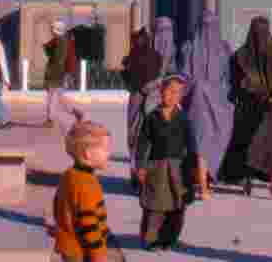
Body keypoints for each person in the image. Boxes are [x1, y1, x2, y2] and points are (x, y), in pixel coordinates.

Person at [222, 16, 272, 196]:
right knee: (268, 146)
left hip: (253, 106)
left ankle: (250, 179)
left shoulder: (241, 55)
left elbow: (234, 84)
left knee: (252, 143)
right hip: (270, 108)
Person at [136, 75, 200, 252]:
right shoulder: (152, 117)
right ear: (161, 91)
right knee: (155, 205)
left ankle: (170, 239)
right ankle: (151, 240)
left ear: (181, 96)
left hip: (178, 169)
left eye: (177, 92)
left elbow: (192, 145)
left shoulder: (184, 119)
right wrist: (141, 166)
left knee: (176, 206)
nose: (172, 95)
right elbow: (142, 143)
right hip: (156, 168)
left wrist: (194, 169)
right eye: (169, 91)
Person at [178, 10, 234, 192]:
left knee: (201, 141)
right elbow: (228, 80)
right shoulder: (222, 48)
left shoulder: (190, 47)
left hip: (203, 100)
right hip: (209, 102)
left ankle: (203, 177)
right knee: (206, 140)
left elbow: (185, 76)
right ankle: (204, 181)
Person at [49, 121, 113, 262]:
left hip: (68, 244)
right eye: (105, 149)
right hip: (82, 249)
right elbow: (88, 223)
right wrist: (99, 254)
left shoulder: (69, 174)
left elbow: (56, 204)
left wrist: (60, 227)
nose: (109, 153)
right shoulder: (86, 183)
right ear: (88, 154)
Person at [121, 23, 163, 188]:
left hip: (137, 98)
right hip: (152, 98)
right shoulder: (157, 56)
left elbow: (128, 78)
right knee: (150, 137)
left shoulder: (132, 57)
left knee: (134, 136)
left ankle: (136, 173)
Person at [43, 20, 84, 130]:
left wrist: (58, 74)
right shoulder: (60, 41)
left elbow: (58, 60)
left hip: (57, 74)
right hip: (59, 73)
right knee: (60, 98)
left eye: (52, 28)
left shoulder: (61, 42)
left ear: (56, 30)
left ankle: (50, 119)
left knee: (52, 98)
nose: (51, 30)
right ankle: (75, 112)